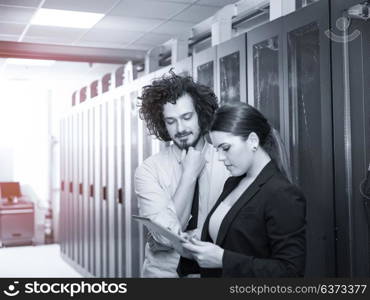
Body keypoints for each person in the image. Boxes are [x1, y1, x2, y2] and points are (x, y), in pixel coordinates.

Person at [177, 102, 306, 277]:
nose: (221, 158)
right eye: (217, 150)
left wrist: (223, 259)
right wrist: (194, 248)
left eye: (226, 148)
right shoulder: (232, 183)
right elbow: (230, 242)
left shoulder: (282, 193)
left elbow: (290, 272)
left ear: (253, 141)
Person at [134, 72, 230, 277]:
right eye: (171, 121)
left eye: (187, 117)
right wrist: (189, 175)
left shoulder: (228, 163)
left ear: (201, 115)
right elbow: (164, 238)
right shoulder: (149, 170)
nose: (180, 128)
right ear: (162, 124)